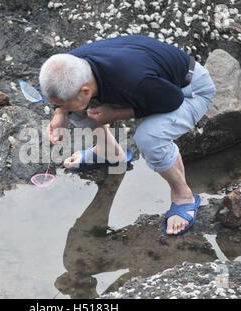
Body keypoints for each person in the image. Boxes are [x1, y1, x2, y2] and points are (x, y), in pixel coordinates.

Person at [39, 35, 216, 235]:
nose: (60, 107)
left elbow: (172, 101)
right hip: (148, 80)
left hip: (188, 90)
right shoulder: (70, 65)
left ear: (86, 90)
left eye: (62, 104)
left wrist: (115, 114)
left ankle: (184, 196)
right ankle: (109, 153)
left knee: (149, 138)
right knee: (78, 110)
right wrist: (60, 112)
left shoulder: (135, 81)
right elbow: (67, 99)